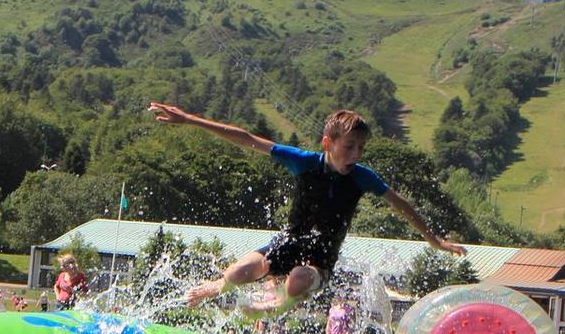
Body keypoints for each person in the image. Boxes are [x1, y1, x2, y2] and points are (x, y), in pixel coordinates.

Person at [149, 103, 465, 317]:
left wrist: (434, 240)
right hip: (288, 242)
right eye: (349, 146)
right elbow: (246, 139)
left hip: (320, 261)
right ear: (328, 142)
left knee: (299, 278)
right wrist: (189, 119)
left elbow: (401, 204)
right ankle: (219, 286)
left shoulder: (362, 177)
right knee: (236, 273)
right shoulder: (303, 162)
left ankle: (276, 306)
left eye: (360, 148)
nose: (355, 154)